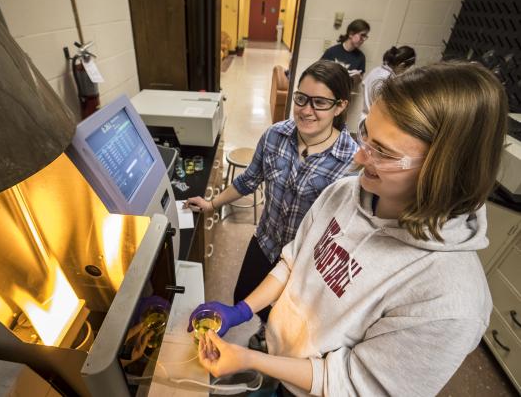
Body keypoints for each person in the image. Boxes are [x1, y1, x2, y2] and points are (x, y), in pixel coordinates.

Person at [190, 61, 508, 396]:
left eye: (383, 152)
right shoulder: (344, 193)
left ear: (446, 169)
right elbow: (294, 260)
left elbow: (354, 384)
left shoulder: (449, 300)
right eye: (365, 135)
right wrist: (243, 314)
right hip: (278, 363)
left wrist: (251, 360)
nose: (358, 159)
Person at [184, 60, 359, 343]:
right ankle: (264, 330)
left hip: (305, 262)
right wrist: (212, 204)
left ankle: (270, 341)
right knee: (245, 295)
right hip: (266, 241)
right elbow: (249, 180)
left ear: (339, 106)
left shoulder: (351, 162)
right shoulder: (275, 136)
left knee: (287, 321)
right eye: (301, 98)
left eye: (319, 103)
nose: (305, 110)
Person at [360, 45, 416, 123]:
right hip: (376, 122)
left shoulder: (376, 70)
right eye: (407, 69)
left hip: (364, 118)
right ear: (401, 65)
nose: (405, 72)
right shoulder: (388, 79)